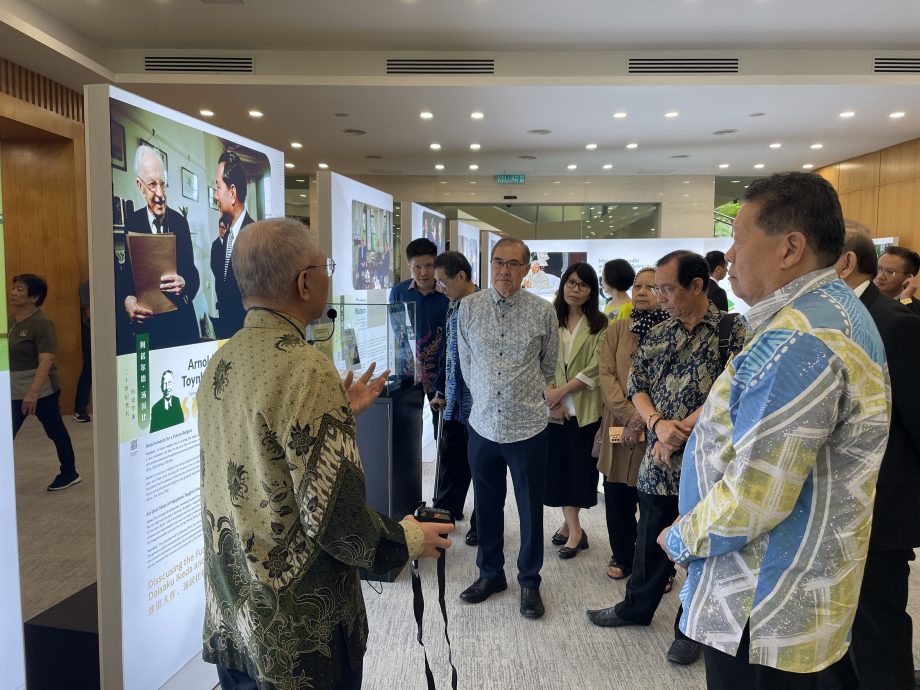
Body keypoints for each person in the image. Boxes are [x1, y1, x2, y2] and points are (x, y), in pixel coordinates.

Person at [198, 218, 452, 690]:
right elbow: (338, 521)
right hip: (297, 626)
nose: (328, 276)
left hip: (233, 607)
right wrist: (410, 539)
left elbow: (260, 456)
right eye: (326, 266)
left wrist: (338, 414)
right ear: (305, 281)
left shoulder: (223, 356)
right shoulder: (304, 368)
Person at [660, 172, 890, 689]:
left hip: (762, 599)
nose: (730, 254)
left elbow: (756, 497)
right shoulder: (830, 312)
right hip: (791, 590)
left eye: (739, 238)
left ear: (790, 248)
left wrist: (679, 538)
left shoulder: (801, 339)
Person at [587, 250, 744, 669]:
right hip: (659, 456)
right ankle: (635, 608)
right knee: (649, 539)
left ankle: (689, 628)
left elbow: (729, 393)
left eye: (667, 288)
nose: (659, 296)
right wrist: (658, 425)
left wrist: (681, 430)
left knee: (701, 545)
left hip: (709, 461)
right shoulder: (659, 331)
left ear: (697, 285)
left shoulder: (733, 331)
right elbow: (638, 385)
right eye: (656, 288)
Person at [819, 228, 920, 690]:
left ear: (842, 263)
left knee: (877, 626)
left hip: (881, 506)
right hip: (832, 504)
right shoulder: (829, 317)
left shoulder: (894, 323)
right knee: (836, 625)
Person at [457, 237, 558, 620]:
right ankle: (490, 574)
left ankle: (529, 581)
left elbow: (548, 366)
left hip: (528, 426)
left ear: (527, 268)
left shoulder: (542, 312)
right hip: (482, 425)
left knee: (530, 508)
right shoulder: (468, 308)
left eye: (514, 264)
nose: (504, 270)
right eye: (498, 262)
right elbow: (465, 363)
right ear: (489, 265)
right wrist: (487, 397)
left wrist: (520, 394)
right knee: (486, 504)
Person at [596, 267, 666, 580]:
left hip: (657, 428)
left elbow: (671, 384)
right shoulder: (617, 329)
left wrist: (642, 419)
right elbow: (607, 376)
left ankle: (654, 568)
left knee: (654, 502)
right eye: (638, 286)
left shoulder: (672, 331)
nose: (640, 292)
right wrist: (629, 416)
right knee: (616, 496)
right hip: (618, 426)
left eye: (651, 287)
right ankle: (622, 555)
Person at [544, 262, 607, 559]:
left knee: (579, 472)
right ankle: (572, 527)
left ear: (591, 291)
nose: (575, 289)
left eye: (582, 285)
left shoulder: (599, 323)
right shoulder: (548, 317)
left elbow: (597, 367)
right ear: (563, 284)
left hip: (583, 408)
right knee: (558, 471)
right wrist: (550, 398)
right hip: (552, 411)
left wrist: (562, 392)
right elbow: (537, 358)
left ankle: (574, 529)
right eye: (571, 282)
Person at [118, 144, 201, 353]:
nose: (160, 194)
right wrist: (127, 300)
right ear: (140, 186)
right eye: (152, 184)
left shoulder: (180, 223)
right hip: (148, 329)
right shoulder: (131, 223)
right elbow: (125, 277)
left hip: (180, 327)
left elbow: (193, 273)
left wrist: (185, 283)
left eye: (162, 184)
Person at [8, 274, 80, 491]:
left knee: (54, 430)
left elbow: (46, 359)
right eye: (14, 288)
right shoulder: (11, 321)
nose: (13, 293)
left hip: (40, 388)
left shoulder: (41, 323)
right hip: (14, 387)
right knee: (6, 432)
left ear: (34, 297)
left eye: (20, 290)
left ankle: (69, 472)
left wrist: (33, 392)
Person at [430, 251, 479, 546]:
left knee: (480, 465)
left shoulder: (483, 307)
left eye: (443, 282)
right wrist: (439, 390)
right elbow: (447, 353)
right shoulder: (452, 305)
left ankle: (481, 524)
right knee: (451, 459)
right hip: (452, 400)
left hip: (478, 402)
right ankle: (445, 515)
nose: (440, 288)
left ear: (461, 276)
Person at [388, 238, 449, 432]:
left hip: (441, 372)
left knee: (442, 427)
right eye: (417, 267)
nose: (423, 273)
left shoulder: (446, 293)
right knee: (406, 427)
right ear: (409, 265)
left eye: (429, 266)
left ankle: (443, 463)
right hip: (407, 371)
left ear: (436, 264)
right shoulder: (398, 292)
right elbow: (398, 333)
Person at [211, 151, 253, 338]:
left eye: (218, 188)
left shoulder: (256, 237)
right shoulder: (226, 237)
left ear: (233, 193)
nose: (215, 196)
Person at [875, 245, 920, 316]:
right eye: (879, 269)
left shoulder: (915, 309)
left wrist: (905, 299)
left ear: (908, 278)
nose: (880, 276)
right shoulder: (865, 299)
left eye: (889, 272)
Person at [73, 279, 92, 422]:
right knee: (89, 370)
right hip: (90, 333)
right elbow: (90, 314)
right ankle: (80, 410)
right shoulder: (87, 286)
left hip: (109, 333)